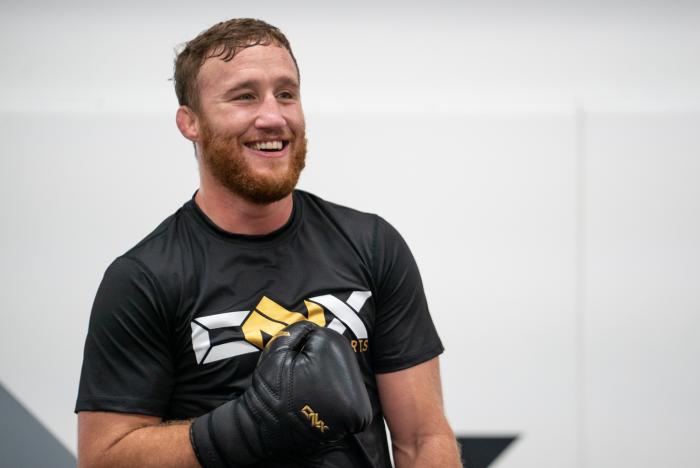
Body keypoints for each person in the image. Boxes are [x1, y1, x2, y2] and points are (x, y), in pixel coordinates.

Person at [75, 18, 462, 468]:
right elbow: (105, 456)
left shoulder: (372, 245)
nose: (273, 116)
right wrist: (250, 424)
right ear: (190, 122)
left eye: (286, 93)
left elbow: (423, 439)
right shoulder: (144, 277)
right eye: (244, 96)